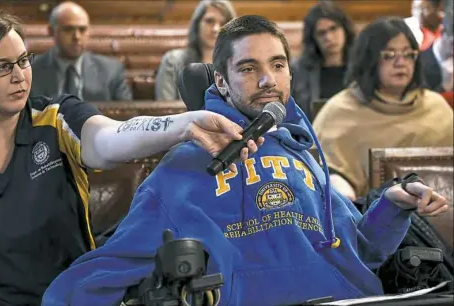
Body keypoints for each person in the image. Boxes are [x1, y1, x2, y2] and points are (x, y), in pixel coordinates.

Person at [42, 15, 448, 306]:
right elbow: (87, 282)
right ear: (220, 80)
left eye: (278, 65)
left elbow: (359, 253)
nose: (269, 80)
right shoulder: (183, 167)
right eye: (249, 68)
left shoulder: (304, 155)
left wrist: (393, 207)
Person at [0, 8, 261, 306]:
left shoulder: (55, 118)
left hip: (71, 296)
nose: (20, 76)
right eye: (3, 67)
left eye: (23, 60)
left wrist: (186, 124)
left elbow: (110, 139)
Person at [313, 16, 453, 200]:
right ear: (369, 60)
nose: (401, 63)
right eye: (389, 55)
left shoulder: (437, 108)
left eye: (408, 54)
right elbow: (321, 173)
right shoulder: (339, 111)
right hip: (366, 219)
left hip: (439, 215)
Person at [30, 2, 133, 101]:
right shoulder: (31, 71)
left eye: (82, 29)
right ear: (51, 31)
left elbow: (126, 115)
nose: (77, 37)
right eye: (68, 29)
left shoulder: (111, 70)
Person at [155, 0, 236, 101]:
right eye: (209, 21)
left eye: (223, 23)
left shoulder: (238, 65)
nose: (216, 29)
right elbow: (165, 110)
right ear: (197, 24)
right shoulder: (173, 61)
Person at [290, 1, 355, 121]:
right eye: (321, 33)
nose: (328, 37)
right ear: (313, 38)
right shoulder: (299, 70)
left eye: (333, 28)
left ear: (345, 29)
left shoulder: (361, 66)